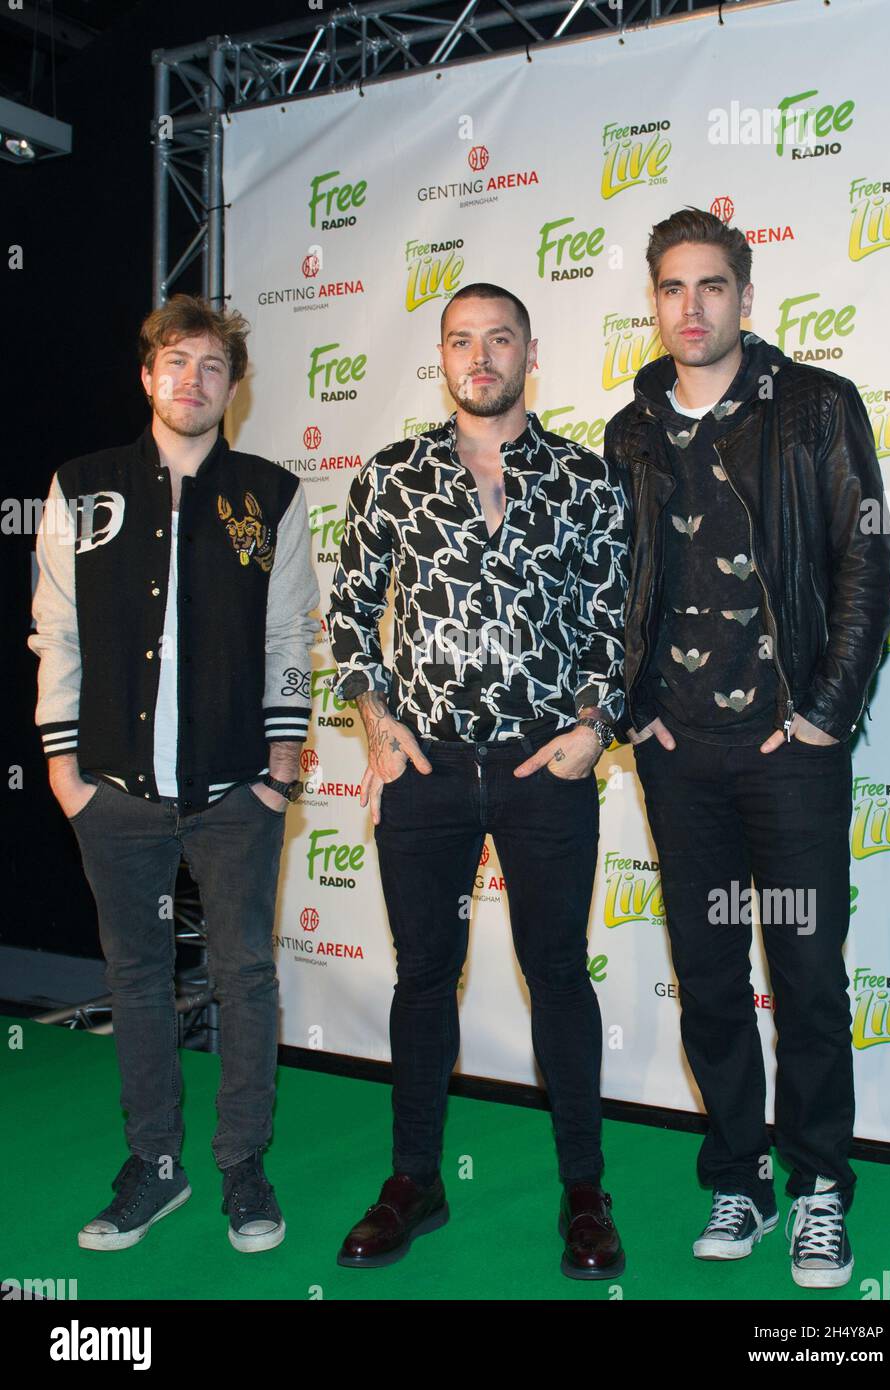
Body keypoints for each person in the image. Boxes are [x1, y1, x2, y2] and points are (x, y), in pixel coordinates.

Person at [604, 209, 890, 1288]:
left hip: (791, 754)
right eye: (673, 288)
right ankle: (740, 1176)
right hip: (682, 759)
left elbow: (866, 563)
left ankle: (819, 1187)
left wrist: (825, 710)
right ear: (654, 299)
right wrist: (633, 709)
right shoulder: (628, 429)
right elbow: (612, 581)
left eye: (712, 286)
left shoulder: (815, 407)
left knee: (809, 972)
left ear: (745, 295)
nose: (692, 307)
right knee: (712, 972)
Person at [328, 282, 629, 1279]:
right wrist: (374, 722)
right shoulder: (389, 476)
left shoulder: (585, 479)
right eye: (463, 341)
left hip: (546, 768)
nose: (482, 356)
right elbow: (345, 618)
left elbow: (614, 626)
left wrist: (593, 725)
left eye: (501, 338)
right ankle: (416, 1179)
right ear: (443, 358)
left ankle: (584, 1192)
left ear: (529, 354)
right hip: (426, 772)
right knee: (422, 976)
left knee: (556, 972)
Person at [29, 294, 319, 1254]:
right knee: (138, 977)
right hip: (112, 793)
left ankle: (242, 1166)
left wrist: (280, 769)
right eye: (176, 362)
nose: (192, 381)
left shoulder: (270, 495)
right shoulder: (83, 487)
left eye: (211, 368)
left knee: (244, 977)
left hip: (239, 792)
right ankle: (155, 1167)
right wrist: (65, 773)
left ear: (233, 389)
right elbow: (56, 635)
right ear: (147, 374)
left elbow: (289, 638)